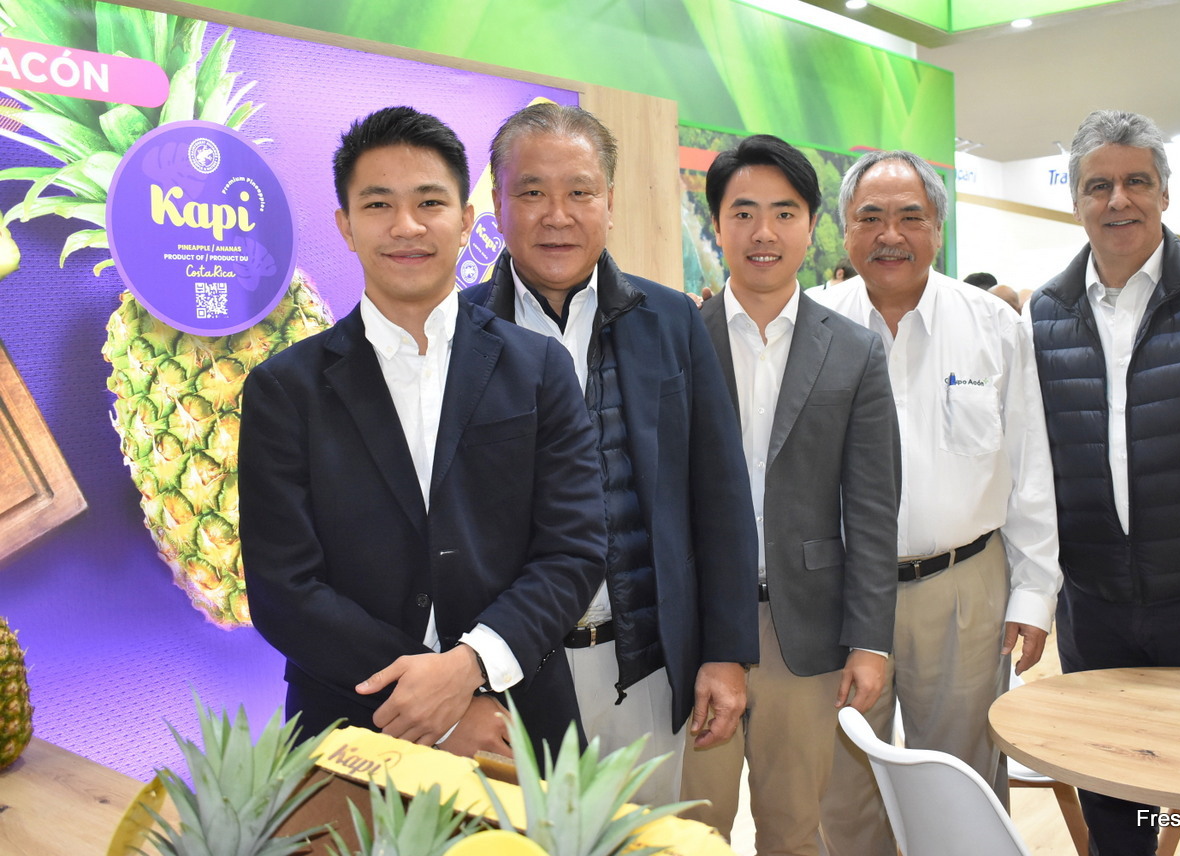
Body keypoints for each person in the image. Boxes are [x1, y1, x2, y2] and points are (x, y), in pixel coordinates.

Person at [239, 106, 607, 760]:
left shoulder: (538, 368)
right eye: (378, 204)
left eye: (429, 202)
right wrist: (437, 706)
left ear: (465, 221)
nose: (406, 226)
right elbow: (282, 589)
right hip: (351, 727)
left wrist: (468, 669)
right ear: (345, 226)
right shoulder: (284, 388)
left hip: (518, 722)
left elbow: (573, 548)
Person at [462, 102, 758, 805]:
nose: (557, 215)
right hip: (507, 679)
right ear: (497, 207)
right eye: (532, 192)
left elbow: (719, 494)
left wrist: (726, 652)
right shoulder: (458, 332)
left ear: (610, 203)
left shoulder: (671, 320)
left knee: (643, 843)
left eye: (580, 191)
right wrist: (462, 680)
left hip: (644, 667)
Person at [1027, 109, 1180, 856]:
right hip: (1097, 611)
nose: (1118, 200)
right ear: (1076, 200)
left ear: (1165, 194)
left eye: (1137, 181)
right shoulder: (1043, 314)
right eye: (1098, 185)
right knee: (1115, 803)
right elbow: (1034, 474)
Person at [812, 149, 1062, 856]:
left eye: (910, 217)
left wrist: (1034, 593)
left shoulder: (994, 326)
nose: (890, 235)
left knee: (963, 785)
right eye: (870, 217)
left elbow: (1030, 466)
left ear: (938, 230)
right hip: (839, 595)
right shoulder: (813, 326)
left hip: (963, 588)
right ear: (846, 229)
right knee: (843, 791)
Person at [679, 135, 900, 855]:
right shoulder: (677, 340)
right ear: (716, 225)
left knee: (794, 829)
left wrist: (870, 640)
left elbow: (872, 508)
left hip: (805, 630)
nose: (763, 232)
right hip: (698, 629)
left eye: (784, 213)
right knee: (690, 830)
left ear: (810, 227)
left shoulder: (855, 349)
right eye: (743, 213)